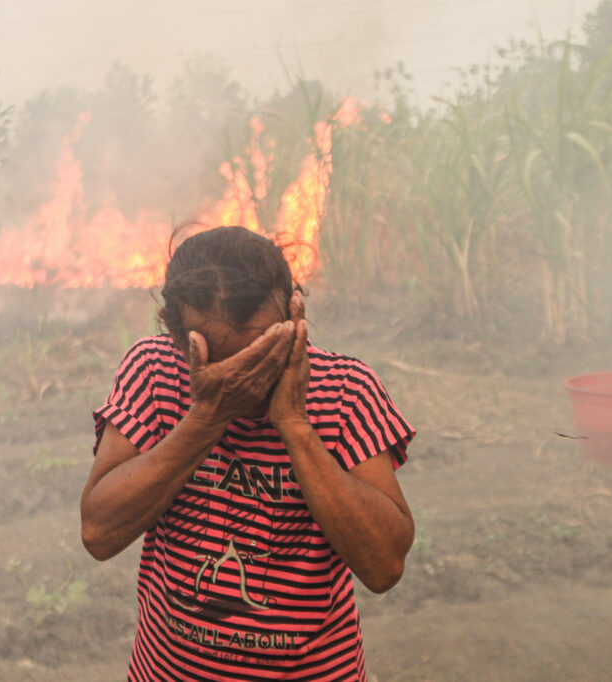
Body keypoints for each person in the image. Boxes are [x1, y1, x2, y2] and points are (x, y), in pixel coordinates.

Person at [81, 226, 415, 681]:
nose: (247, 377)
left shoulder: (346, 390)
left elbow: (383, 566)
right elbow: (99, 533)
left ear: (295, 314)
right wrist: (205, 420)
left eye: (263, 348)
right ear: (175, 334)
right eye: (222, 358)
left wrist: (295, 426)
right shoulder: (154, 372)